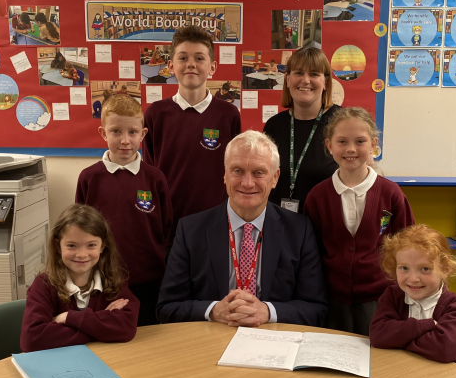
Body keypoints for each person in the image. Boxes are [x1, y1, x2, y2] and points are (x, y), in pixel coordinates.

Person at [157, 131, 327, 327]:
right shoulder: (190, 230)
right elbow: (166, 308)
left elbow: (316, 309)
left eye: (258, 172)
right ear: (225, 174)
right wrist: (213, 311)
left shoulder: (299, 231)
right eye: (237, 171)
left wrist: (268, 311)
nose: (247, 183)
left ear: (275, 177)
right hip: (209, 341)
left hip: (274, 341)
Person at [304, 107, 414, 336]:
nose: (351, 149)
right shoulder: (317, 196)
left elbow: (408, 245)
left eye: (360, 141)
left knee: (378, 361)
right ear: (329, 145)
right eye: (342, 141)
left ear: (373, 144)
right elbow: (310, 252)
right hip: (330, 300)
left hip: (381, 300)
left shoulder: (391, 194)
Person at [76, 94, 172, 326]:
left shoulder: (155, 178)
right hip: (103, 282)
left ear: (143, 134)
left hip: (150, 283)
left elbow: (167, 231)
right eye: (116, 131)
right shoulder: (89, 178)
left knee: (150, 344)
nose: (125, 140)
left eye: (132, 132)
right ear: (103, 133)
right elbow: (79, 233)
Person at [143, 25, 242, 236]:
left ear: (212, 67)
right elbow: (148, 173)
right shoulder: (155, 114)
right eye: (183, 58)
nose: (191, 64)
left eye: (199, 58)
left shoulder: (229, 114)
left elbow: (234, 171)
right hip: (168, 226)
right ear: (170, 65)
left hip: (216, 226)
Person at [21, 204, 139, 352]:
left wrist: (69, 318)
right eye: (72, 246)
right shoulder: (43, 285)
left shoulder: (114, 281)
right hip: (58, 368)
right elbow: (32, 340)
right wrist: (101, 327)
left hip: (104, 362)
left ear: (102, 246)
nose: (82, 254)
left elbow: (127, 329)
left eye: (91, 245)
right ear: (58, 246)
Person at [369, 224, 456, 364]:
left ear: (446, 269)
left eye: (425, 269)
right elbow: (378, 336)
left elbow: (445, 350)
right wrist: (426, 326)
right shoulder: (393, 295)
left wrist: (397, 339)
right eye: (404, 268)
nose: (413, 279)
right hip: (401, 373)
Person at [264, 47, 340, 214]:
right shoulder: (273, 126)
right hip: (280, 225)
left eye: (314, 74)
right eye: (298, 73)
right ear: (288, 79)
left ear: (325, 82)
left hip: (326, 228)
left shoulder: (342, 122)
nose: (305, 80)